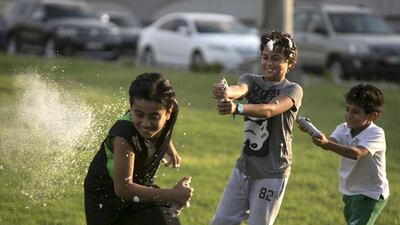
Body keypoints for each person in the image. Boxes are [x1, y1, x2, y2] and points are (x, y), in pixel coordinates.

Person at [210, 31, 303, 225]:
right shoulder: (251, 79)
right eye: (265, 57)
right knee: (220, 221)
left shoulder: (292, 89)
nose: (269, 63)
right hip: (243, 167)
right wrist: (227, 91)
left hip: (272, 172)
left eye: (276, 58)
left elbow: (269, 109)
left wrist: (238, 108)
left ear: (290, 62)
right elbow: (240, 88)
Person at [84, 72, 194, 225]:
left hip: (140, 186)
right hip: (107, 197)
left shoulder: (172, 107)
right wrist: (172, 194)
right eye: (139, 114)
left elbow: (164, 128)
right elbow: (123, 189)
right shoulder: (124, 136)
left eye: (154, 117)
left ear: (168, 112)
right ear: (131, 108)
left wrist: (169, 147)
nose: (145, 123)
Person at [299, 84, 389, 225]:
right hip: (349, 192)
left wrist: (326, 143)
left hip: (370, 194)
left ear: (373, 115)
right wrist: (313, 133)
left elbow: (357, 153)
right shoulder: (343, 128)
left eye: (356, 112)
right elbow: (328, 143)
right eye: (347, 109)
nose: (349, 115)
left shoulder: (376, 133)